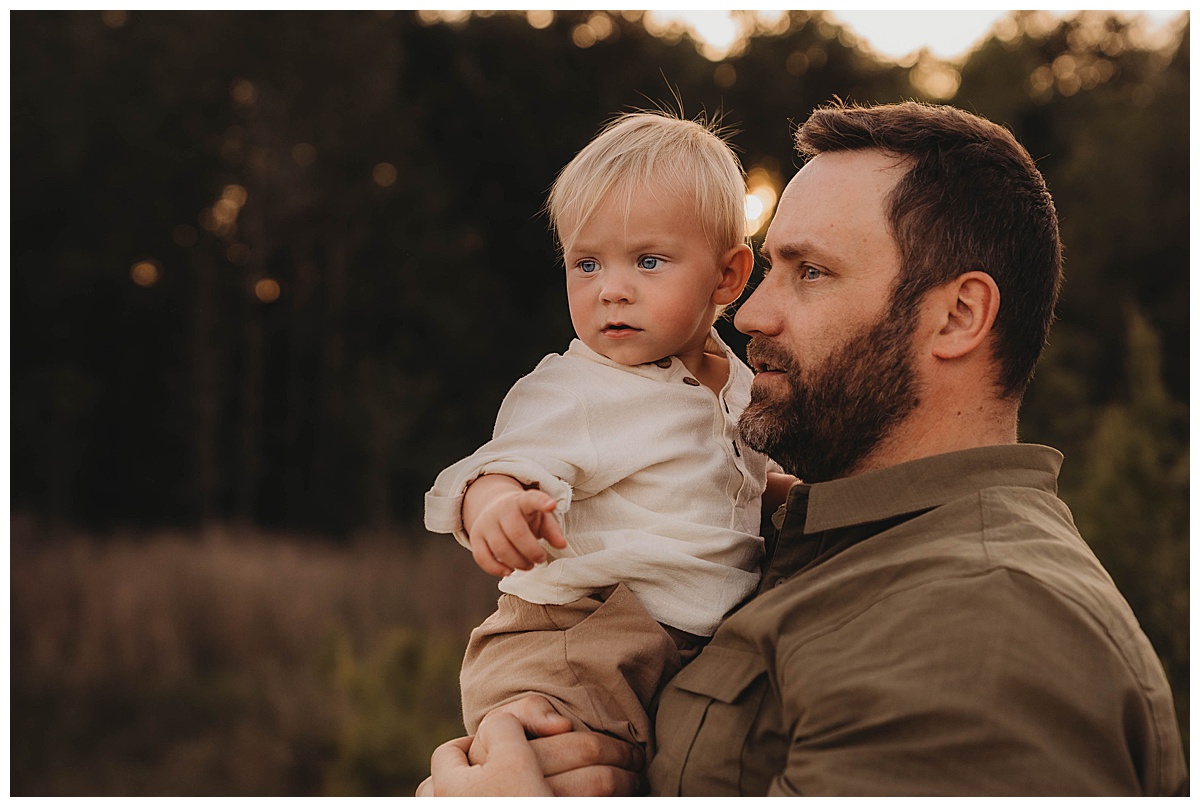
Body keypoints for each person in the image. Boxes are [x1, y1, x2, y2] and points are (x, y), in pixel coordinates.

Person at [419, 100, 1189, 796]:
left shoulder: (982, 631)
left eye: (811, 272)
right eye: (771, 267)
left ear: (957, 316)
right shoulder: (833, 540)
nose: (750, 314)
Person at [423, 111, 794, 758]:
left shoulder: (735, 382)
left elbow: (725, 481)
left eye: (649, 261)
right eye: (587, 263)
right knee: (563, 769)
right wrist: (498, 503)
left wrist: (786, 494)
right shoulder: (578, 388)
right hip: (576, 641)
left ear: (728, 276)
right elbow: (498, 463)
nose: (612, 291)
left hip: (686, 644)